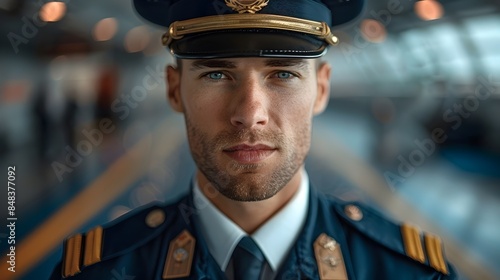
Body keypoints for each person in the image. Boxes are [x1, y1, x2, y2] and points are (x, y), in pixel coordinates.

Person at [50, 0, 457, 279]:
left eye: (283, 73)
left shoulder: (412, 271)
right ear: (174, 90)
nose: (249, 113)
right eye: (215, 74)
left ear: (321, 89)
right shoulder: (96, 270)